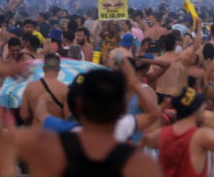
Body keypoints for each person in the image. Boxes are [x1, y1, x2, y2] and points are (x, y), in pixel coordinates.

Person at [15, 69, 162, 177]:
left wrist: (42, 101)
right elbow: (154, 114)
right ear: (123, 109)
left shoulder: (54, 149)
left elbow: (41, 115)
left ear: (78, 105)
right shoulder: (141, 164)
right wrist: (136, 84)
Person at [143, 46, 214, 177]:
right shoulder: (200, 136)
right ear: (194, 111)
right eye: (200, 105)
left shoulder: (162, 134)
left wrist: (162, 106)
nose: (204, 106)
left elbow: (146, 138)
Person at [20, 54, 70, 126]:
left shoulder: (30, 87)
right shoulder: (65, 89)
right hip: (56, 135)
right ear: (59, 69)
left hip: (37, 133)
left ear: (43, 68)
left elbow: (24, 115)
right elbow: (68, 118)